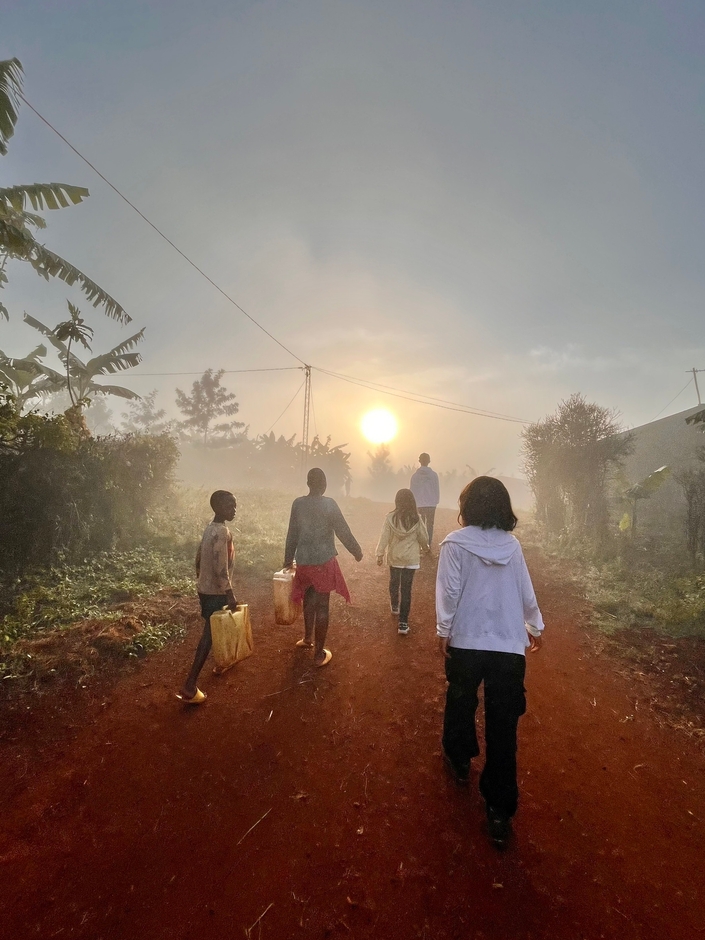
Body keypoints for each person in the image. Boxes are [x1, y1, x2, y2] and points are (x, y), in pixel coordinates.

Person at [436, 476, 544, 847]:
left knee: (461, 698)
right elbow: (524, 589)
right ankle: (499, 811)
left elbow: (450, 591)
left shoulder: (454, 544)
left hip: (467, 640)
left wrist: (443, 629)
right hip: (508, 647)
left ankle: (459, 757)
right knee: (503, 726)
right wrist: (535, 624)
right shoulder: (512, 547)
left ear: (467, 507)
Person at [284, 468, 363, 667]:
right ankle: (319, 654)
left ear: (308, 484)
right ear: (324, 485)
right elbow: (342, 530)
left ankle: (307, 638)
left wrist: (287, 559)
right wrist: (356, 550)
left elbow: (292, 533)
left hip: (303, 562)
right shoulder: (329, 504)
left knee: (308, 600)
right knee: (322, 606)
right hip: (323, 562)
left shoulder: (298, 504)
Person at [177, 490, 238, 704]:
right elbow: (221, 566)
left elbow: (198, 558)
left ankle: (221, 663)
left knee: (215, 629)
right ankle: (190, 684)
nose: (234, 510)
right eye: (230, 506)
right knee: (209, 634)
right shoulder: (222, 532)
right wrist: (229, 593)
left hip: (205, 589)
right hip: (216, 592)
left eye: (234, 505)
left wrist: (201, 580)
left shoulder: (209, 529)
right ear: (218, 508)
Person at [375, 489, 429, 635]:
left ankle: (394, 605)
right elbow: (423, 537)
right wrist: (426, 548)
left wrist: (380, 554)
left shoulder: (390, 518)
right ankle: (403, 624)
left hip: (395, 557)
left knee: (394, 581)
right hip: (411, 559)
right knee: (406, 590)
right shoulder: (417, 518)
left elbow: (384, 537)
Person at [410, 453, 440, 547]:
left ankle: (421, 544)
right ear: (429, 461)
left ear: (419, 461)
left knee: (420, 525)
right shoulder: (434, 475)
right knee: (430, 525)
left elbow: (412, 491)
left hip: (419, 504)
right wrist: (436, 500)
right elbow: (436, 489)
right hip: (431, 504)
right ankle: (428, 543)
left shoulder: (415, 476)